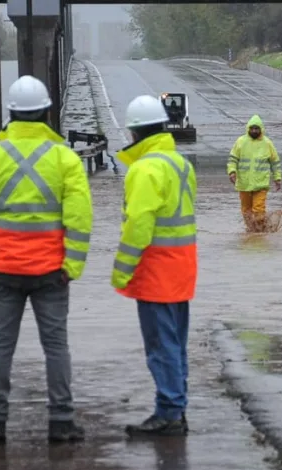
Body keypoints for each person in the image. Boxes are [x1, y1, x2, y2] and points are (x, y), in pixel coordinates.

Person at [0, 75, 92, 444]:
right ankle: (62, 421)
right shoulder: (65, 159)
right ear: (48, 112)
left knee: (0, 344)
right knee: (56, 346)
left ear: (12, 114)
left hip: (3, 271)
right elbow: (80, 218)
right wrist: (73, 266)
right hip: (52, 271)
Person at [113, 95, 197, 437]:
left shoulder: (145, 169)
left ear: (135, 133)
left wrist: (122, 269)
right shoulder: (179, 164)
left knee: (161, 346)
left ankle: (170, 412)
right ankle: (177, 405)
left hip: (156, 271)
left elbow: (139, 226)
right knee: (175, 343)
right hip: (181, 268)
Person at [227, 115, 281, 233]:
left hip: (260, 184)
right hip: (244, 184)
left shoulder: (267, 143)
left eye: (257, 129)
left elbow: (275, 162)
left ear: (261, 129)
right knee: (246, 211)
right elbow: (233, 159)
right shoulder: (240, 142)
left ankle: (260, 231)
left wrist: (277, 178)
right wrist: (232, 172)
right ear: (248, 129)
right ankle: (251, 230)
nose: (254, 131)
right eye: (252, 128)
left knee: (258, 209)